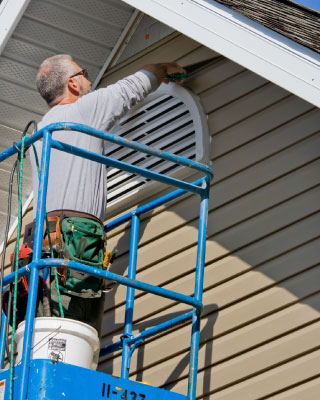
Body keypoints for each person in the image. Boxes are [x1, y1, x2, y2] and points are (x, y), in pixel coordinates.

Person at [29, 54, 186, 341]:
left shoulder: (38, 134)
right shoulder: (84, 111)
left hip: (44, 242)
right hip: (76, 240)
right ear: (73, 84)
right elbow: (135, 86)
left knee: (49, 331)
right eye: (85, 73)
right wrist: (165, 68)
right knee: (76, 331)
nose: (89, 79)